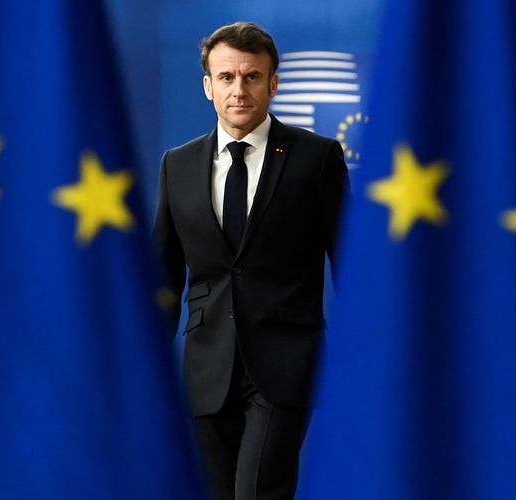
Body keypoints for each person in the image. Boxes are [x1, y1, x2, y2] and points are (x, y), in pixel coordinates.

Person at [153, 21, 348, 500]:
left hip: (285, 364)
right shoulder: (177, 165)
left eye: (251, 77)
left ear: (273, 83)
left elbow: (351, 263)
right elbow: (164, 274)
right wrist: (146, 361)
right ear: (208, 86)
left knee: (258, 491)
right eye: (226, 77)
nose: (238, 90)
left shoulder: (317, 158)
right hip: (206, 369)